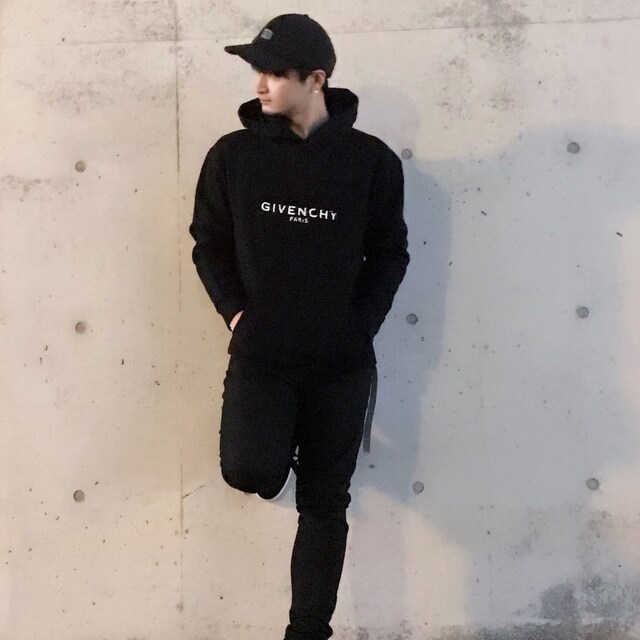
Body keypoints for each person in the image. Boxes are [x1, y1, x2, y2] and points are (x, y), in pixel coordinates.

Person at [189, 13, 409, 640]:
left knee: (324, 502)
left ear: (316, 79)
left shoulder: (370, 162)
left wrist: (360, 327)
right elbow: (208, 243)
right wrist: (236, 314)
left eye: (274, 72)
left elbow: (389, 253)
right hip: (264, 355)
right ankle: (278, 437)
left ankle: (308, 631)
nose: (260, 84)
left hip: (339, 363)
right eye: (256, 71)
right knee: (249, 470)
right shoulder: (233, 156)